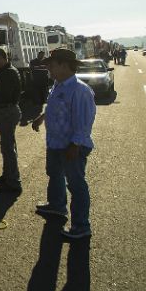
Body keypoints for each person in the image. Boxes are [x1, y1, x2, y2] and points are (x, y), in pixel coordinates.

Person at [31, 48, 96, 239]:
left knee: (76, 185)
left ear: (65, 65)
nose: (48, 69)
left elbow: (84, 122)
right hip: (56, 143)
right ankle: (57, 206)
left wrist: (75, 145)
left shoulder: (80, 90)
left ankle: (81, 226)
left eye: (52, 65)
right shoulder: (58, 85)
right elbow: (55, 107)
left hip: (71, 147)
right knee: (54, 174)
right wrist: (41, 117)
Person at [0, 48, 22, 192]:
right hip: (6, 110)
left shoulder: (8, 72)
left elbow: (5, 95)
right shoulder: (5, 71)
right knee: (7, 145)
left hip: (7, 111)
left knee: (8, 147)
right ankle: (7, 176)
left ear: (0, 57)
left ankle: (13, 180)